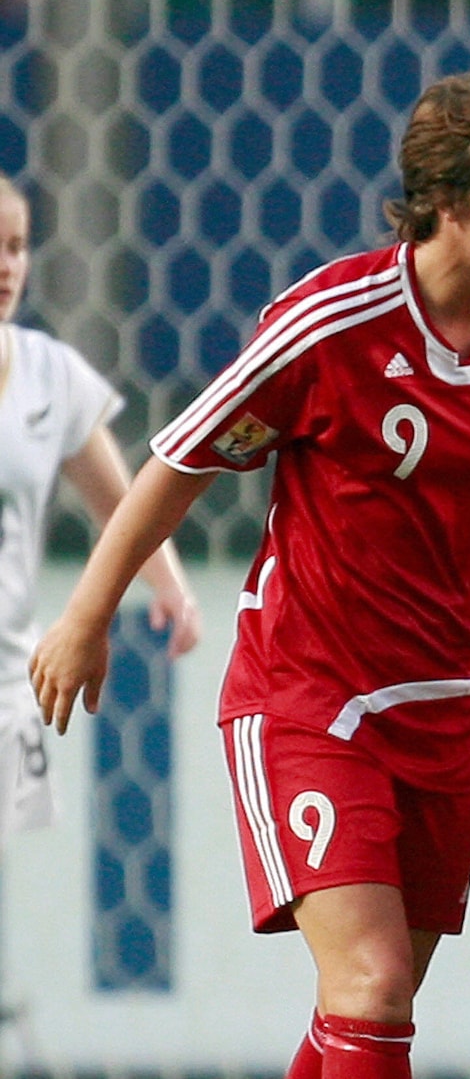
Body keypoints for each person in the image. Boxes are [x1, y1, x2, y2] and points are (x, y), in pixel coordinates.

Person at [29, 71, 470, 1079]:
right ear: (446, 198)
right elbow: (180, 463)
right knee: (371, 985)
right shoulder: (331, 322)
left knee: (373, 1011)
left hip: (453, 702)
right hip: (313, 697)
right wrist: (86, 615)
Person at [0, 175, 199, 846]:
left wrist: (171, 587)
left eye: (18, 247)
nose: (7, 265)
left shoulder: (48, 374)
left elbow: (124, 502)